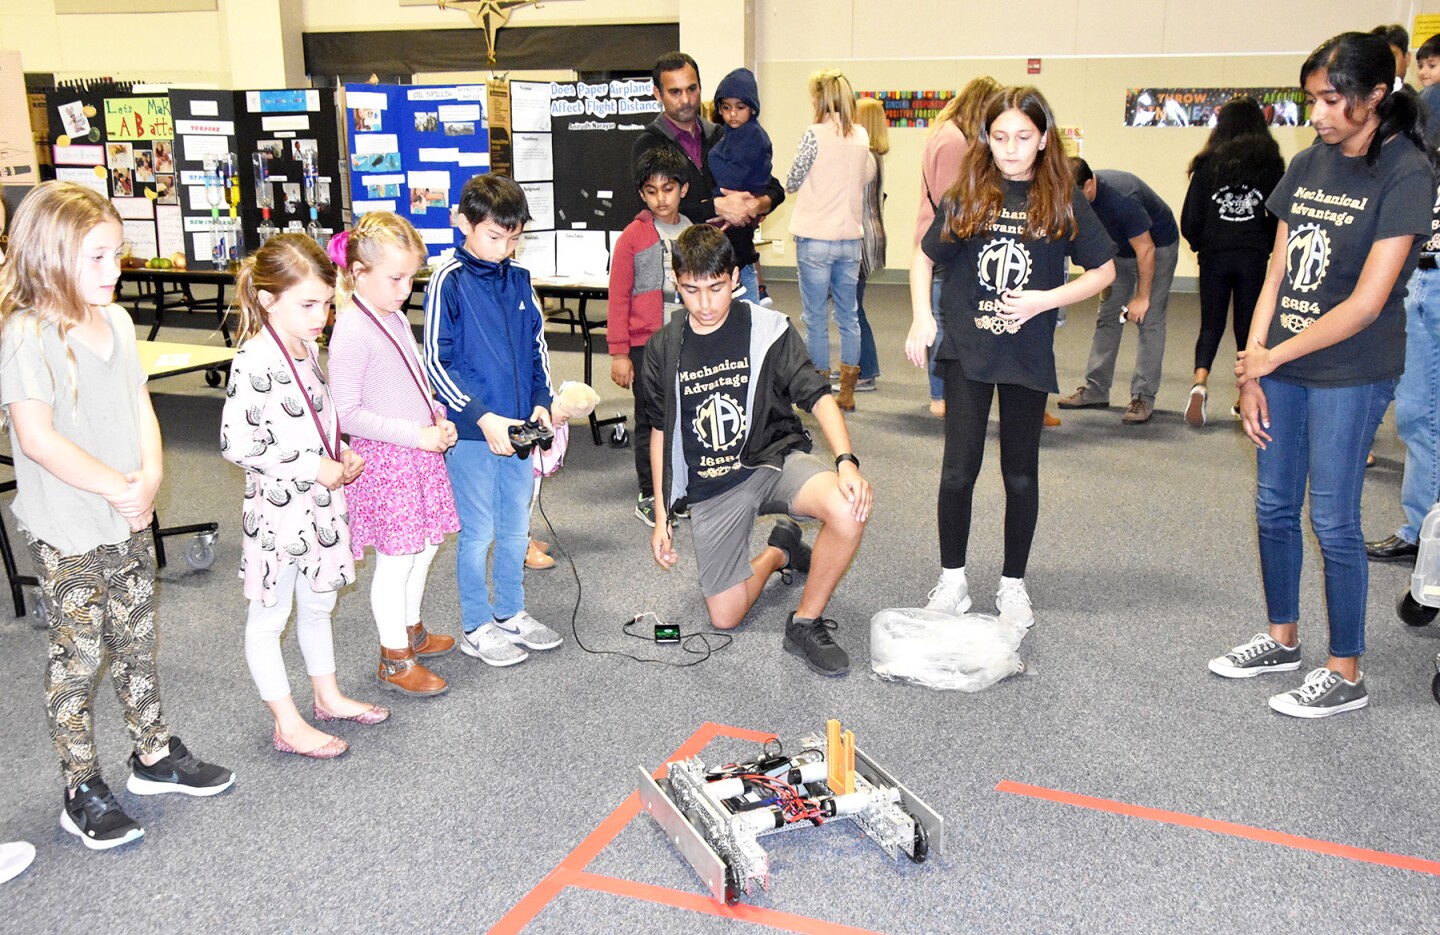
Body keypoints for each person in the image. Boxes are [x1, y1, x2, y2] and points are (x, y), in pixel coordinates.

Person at [0, 181, 233, 850]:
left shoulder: (120, 322)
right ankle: (80, 787)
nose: (115, 270)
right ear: (51, 257)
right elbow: (38, 438)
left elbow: (139, 406)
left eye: (116, 255)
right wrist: (116, 487)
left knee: (135, 640)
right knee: (77, 660)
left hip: (125, 514)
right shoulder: (26, 335)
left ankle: (153, 753)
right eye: (97, 258)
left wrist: (150, 478)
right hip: (69, 528)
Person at [1210, 32, 1433, 717]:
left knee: (1333, 519)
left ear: (1375, 95)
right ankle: (1282, 638)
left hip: (1350, 370)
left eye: (1333, 100)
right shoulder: (1309, 162)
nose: (1318, 115)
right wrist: (1253, 363)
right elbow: (1277, 269)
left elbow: (1367, 302)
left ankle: (1346, 671)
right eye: (1311, 100)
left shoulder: (1406, 172)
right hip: (1280, 364)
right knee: (1273, 505)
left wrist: (1273, 357)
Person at [906, 86, 1116, 628]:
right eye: (1000, 137)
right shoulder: (969, 193)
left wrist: (1046, 300)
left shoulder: (1062, 196)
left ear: (1044, 139)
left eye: (1023, 137)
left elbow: (1104, 271)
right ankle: (953, 580)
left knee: (1020, 474)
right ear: (986, 138)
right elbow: (923, 259)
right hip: (968, 349)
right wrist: (922, 318)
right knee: (958, 470)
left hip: (1025, 352)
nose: (1011, 149)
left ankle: (1013, 584)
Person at [643, 225, 871, 677]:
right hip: (713, 486)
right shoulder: (663, 348)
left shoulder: (768, 330)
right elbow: (659, 432)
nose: (704, 304)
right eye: (691, 290)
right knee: (725, 617)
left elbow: (817, 396)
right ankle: (779, 552)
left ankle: (805, 623)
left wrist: (846, 462)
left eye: (715, 288)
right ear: (676, 283)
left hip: (772, 459)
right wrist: (663, 516)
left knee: (849, 507)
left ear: (734, 278)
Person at [222, 234, 382, 759]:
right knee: (270, 618)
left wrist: (341, 452)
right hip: (279, 511)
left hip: (319, 503)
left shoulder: (306, 348)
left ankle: (327, 696)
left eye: (327, 304)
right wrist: (315, 466)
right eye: (308, 305)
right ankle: (286, 723)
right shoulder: (254, 359)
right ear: (268, 300)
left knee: (318, 601)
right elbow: (237, 443)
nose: (322, 316)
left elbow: (313, 420)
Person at [423, 173, 563, 667]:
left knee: (515, 528)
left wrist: (542, 401)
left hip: (521, 429)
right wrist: (483, 418)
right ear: (464, 224)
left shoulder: (519, 278)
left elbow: (536, 348)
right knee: (478, 532)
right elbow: (437, 362)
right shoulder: (448, 280)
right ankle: (476, 625)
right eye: (494, 237)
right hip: (473, 433)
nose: (505, 249)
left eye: (513, 238)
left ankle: (510, 612)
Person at [326, 214, 460, 698]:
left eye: (411, 278)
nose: (405, 290)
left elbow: (411, 381)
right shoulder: (352, 329)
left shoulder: (394, 316)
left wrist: (436, 415)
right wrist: (415, 434)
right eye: (395, 278)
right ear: (359, 273)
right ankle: (394, 657)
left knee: (424, 548)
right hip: (387, 463)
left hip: (416, 453)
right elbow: (346, 413)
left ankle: (411, 628)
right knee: (397, 559)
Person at [1179, 96, 1285, 427]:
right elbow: (1279, 215)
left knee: (1210, 324)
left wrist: (1201, 245)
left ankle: (1199, 383)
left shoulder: (1207, 164)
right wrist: (1264, 243)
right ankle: (1245, 392)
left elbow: (1190, 218)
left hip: (1214, 254)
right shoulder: (1270, 164)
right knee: (1248, 325)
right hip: (1252, 254)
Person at [1056, 159, 1180, 424]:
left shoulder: (1121, 197)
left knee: (1149, 318)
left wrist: (1142, 297)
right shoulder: (1074, 198)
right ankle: (1096, 389)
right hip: (1119, 253)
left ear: (1089, 185)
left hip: (1157, 248)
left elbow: (1145, 249)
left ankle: (1143, 397)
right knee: (1108, 316)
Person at [609, 146, 694, 527]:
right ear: (642, 194)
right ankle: (650, 492)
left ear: (683, 189)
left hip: (687, 342)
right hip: (645, 346)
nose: (661, 198)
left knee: (686, 417)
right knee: (650, 419)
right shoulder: (632, 237)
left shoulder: (694, 234)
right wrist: (619, 353)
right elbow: (618, 296)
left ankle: (679, 488)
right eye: (652, 191)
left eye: (668, 189)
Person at [915, 77, 1002, 416]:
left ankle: (944, 393)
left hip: (941, 236)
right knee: (942, 318)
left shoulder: (944, 132)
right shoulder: (954, 140)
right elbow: (952, 199)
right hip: (947, 240)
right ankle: (940, 395)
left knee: (943, 315)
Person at [786, 68, 871, 410]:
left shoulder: (814, 135)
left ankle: (819, 392)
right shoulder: (861, 136)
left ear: (818, 98)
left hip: (815, 238)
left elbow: (792, 180)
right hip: (850, 238)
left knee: (816, 317)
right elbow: (865, 176)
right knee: (849, 316)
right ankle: (847, 392)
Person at [633, 52, 785, 241]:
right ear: (658, 94)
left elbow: (774, 188)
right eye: (675, 92)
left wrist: (755, 205)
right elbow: (651, 209)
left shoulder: (721, 134)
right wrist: (716, 207)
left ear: (700, 87)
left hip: (737, 253)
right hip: (683, 254)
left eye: (691, 89)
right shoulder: (649, 144)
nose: (686, 100)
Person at [708, 67, 772, 302]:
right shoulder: (733, 133)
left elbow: (734, 175)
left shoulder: (751, 135)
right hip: (739, 208)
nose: (732, 114)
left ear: (752, 108)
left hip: (737, 205)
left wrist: (715, 199)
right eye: (726, 107)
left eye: (739, 107)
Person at [852, 96, 889, 394]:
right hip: (869, 234)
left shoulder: (864, 158)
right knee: (852, 306)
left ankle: (864, 370)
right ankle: (859, 366)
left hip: (861, 239)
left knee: (852, 308)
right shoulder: (873, 156)